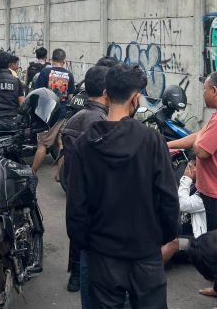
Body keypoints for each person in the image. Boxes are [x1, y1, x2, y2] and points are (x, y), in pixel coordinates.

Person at [67, 63, 179, 308]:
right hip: (146, 253)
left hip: (102, 255)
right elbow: (168, 197)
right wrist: (170, 237)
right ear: (136, 98)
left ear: (106, 94)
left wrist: (86, 244)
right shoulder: (151, 140)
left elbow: (76, 205)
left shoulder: (85, 144)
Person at [167, 71, 217, 309]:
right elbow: (198, 137)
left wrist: (196, 141)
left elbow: (201, 150)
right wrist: (166, 144)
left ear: (214, 91)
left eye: (205, 89)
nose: (202, 94)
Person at [59, 65, 109, 293]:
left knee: (77, 227)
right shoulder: (101, 121)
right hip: (94, 189)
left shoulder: (75, 117)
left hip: (74, 185)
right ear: (107, 90)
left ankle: (76, 275)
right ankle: (86, 275)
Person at [32, 48, 76, 172]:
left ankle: (32, 173)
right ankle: (59, 175)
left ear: (52, 59)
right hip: (63, 113)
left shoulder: (45, 73)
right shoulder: (69, 75)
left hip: (47, 115)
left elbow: (38, 93)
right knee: (61, 144)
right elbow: (70, 97)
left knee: (42, 144)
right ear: (64, 61)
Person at [179, 159, 207, 239]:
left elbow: (182, 204)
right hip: (182, 234)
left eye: (191, 166)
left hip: (197, 241)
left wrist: (186, 179)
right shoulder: (193, 187)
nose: (188, 169)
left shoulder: (207, 192)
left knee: (172, 245)